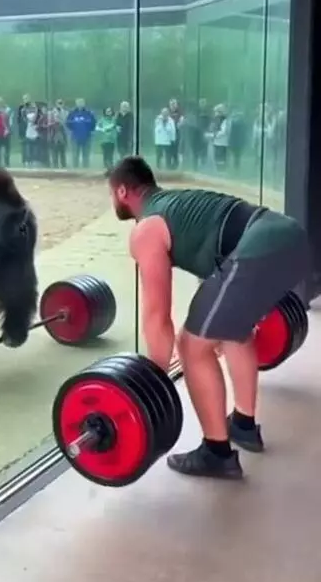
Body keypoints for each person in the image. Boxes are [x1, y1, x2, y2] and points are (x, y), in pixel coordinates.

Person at [107, 155, 310, 480]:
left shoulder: (147, 228)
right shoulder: (180, 203)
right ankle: (243, 426)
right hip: (294, 241)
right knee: (234, 331)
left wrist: (153, 382)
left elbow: (156, 314)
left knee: (190, 346)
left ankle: (217, 453)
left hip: (261, 249)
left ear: (121, 192)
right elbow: (218, 255)